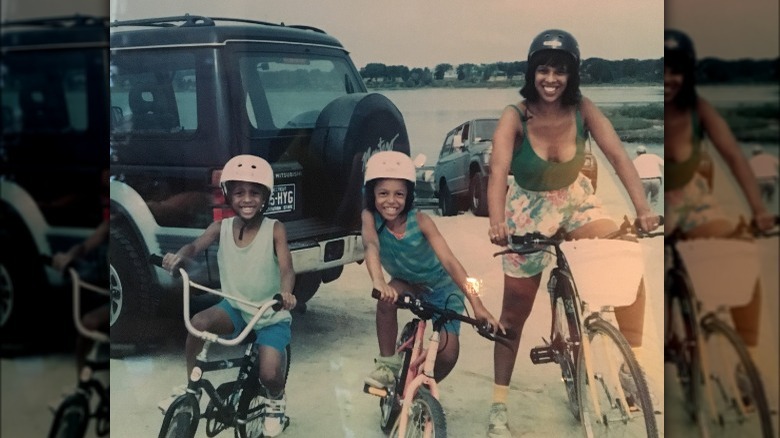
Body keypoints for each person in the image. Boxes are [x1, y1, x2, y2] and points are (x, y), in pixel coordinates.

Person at [485, 29, 660, 436]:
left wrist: (644, 208)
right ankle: (498, 404)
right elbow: (497, 172)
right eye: (543, 70)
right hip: (526, 209)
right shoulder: (516, 114)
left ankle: (629, 365)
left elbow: (618, 155)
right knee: (513, 315)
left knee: (626, 257)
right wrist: (497, 219)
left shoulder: (582, 108)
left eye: (560, 71)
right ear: (533, 72)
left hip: (575, 201)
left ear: (572, 75)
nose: (551, 79)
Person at [664, 29, 775, 404]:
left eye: (676, 71)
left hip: (691, 205)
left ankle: (746, 361)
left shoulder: (699, 109)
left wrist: (759, 210)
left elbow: (734, 158)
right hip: (655, 205)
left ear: (688, 73)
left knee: (740, 248)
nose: (668, 80)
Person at [161, 154, 297, 437]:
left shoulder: (275, 229)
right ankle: (191, 390)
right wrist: (179, 258)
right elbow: (195, 246)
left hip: (269, 314)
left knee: (269, 373)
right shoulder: (220, 227)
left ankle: (276, 401)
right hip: (235, 306)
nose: (247, 199)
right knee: (198, 323)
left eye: (255, 193)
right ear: (227, 195)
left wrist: (285, 292)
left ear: (265, 197)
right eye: (239, 193)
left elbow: (287, 268)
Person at [361, 150, 503, 389]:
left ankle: (422, 391)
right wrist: (378, 281)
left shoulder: (422, 221)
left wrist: (477, 304)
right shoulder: (369, 217)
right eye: (383, 193)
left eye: (399, 194)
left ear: (409, 195)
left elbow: (450, 262)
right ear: (371, 194)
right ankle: (387, 365)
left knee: (448, 353)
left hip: (442, 288)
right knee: (385, 302)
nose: (391, 201)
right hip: (406, 283)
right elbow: (371, 246)